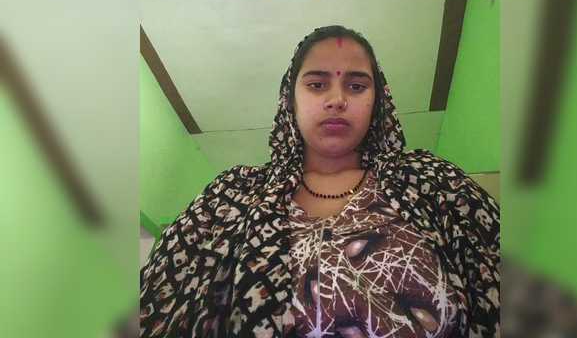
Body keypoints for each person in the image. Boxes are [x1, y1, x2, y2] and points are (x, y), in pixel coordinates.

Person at [140, 25, 500, 337]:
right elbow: (155, 306)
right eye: (316, 84)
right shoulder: (231, 195)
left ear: (378, 101)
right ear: (290, 100)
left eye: (356, 86)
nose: (337, 100)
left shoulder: (432, 181)